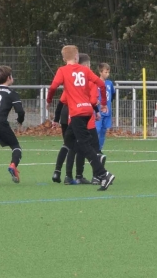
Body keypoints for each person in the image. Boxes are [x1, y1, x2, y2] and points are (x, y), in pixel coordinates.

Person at [47, 45, 114, 190]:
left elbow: (53, 87)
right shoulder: (85, 70)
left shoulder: (62, 70)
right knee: (69, 141)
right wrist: (103, 103)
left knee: (83, 145)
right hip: (87, 111)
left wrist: (48, 100)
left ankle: (104, 174)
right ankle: (63, 172)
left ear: (64, 58)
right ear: (77, 57)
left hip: (77, 113)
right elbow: (101, 84)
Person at [95, 62, 117, 149]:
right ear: (100, 72)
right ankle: (92, 147)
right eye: (105, 72)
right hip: (98, 112)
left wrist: (108, 104)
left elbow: (113, 94)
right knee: (97, 129)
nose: (107, 74)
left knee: (103, 131)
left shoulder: (109, 83)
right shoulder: (95, 82)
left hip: (107, 112)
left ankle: (99, 149)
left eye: (108, 72)